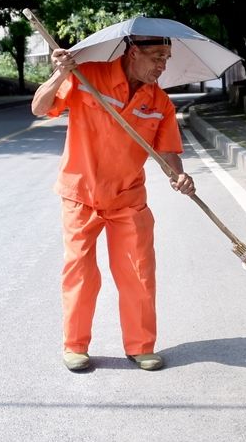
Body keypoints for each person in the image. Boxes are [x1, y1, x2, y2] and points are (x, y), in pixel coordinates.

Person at [31, 35, 196, 372]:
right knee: (80, 272)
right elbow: (41, 107)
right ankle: (75, 346)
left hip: (128, 197)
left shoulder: (160, 102)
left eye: (167, 58)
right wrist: (60, 74)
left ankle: (140, 346)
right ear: (133, 52)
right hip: (81, 194)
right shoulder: (87, 75)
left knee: (138, 271)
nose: (163, 66)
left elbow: (167, 151)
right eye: (157, 57)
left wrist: (178, 175)